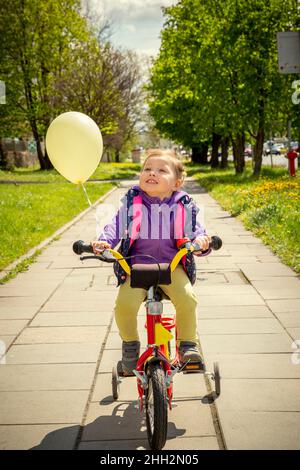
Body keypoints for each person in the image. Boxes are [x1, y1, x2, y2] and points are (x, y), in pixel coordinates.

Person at [92, 149, 211, 374]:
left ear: (176, 182)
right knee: (124, 305)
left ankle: (188, 345)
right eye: (147, 168)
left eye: (161, 170)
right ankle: (130, 346)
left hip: (172, 266)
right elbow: (115, 226)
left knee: (187, 299)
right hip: (136, 267)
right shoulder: (132, 202)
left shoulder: (183, 205)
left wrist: (202, 241)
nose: (152, 173)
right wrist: (104, 242)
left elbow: (195, 230)